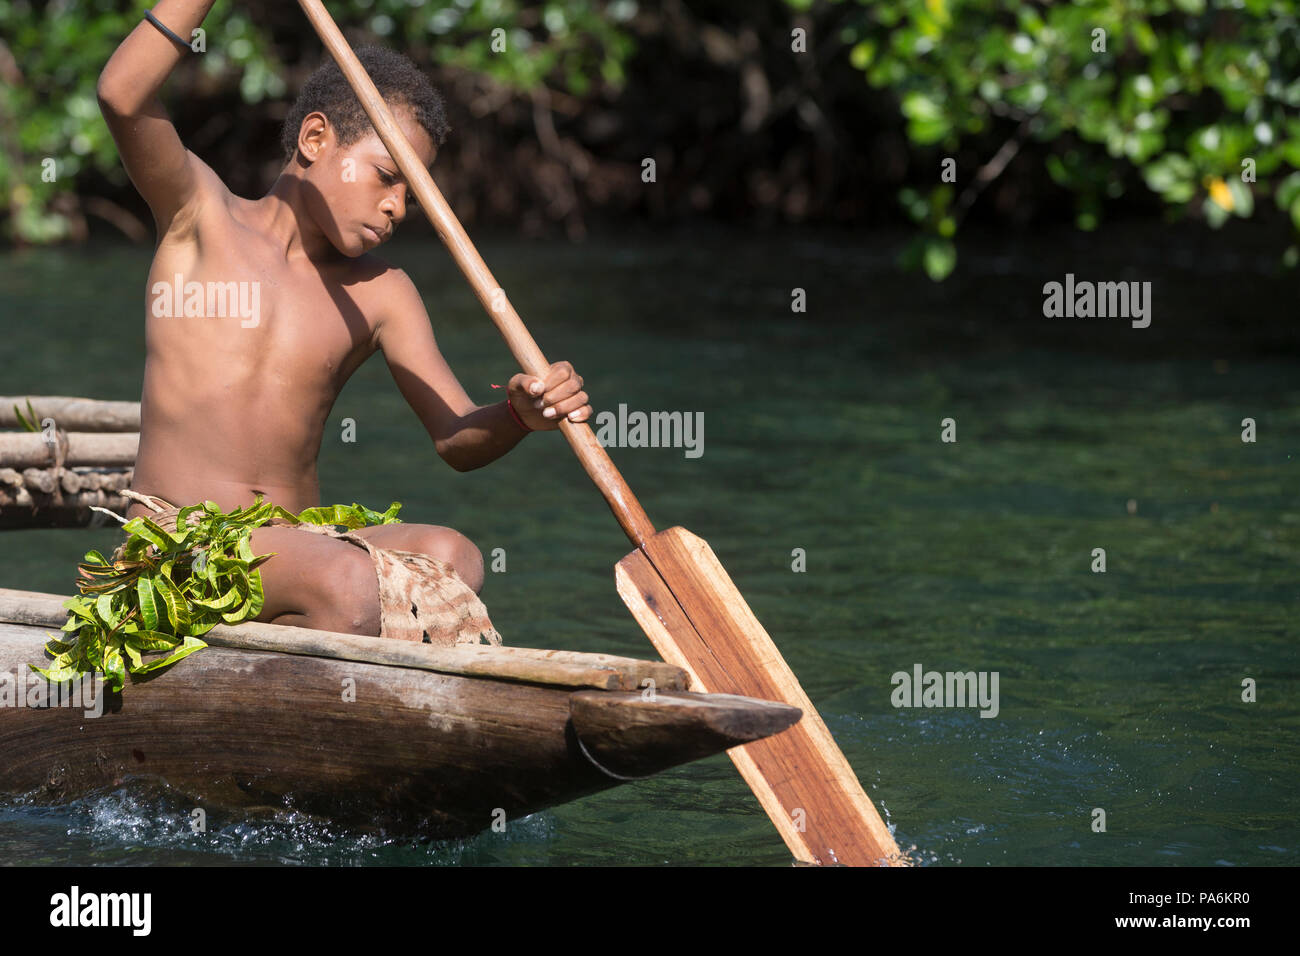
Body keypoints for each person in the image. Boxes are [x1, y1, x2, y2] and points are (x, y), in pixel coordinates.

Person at [95, 1, 591, 644]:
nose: (398, 207)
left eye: (412, 192)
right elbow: (123, 96)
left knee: (455, 557)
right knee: (348, 583)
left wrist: (519, 416)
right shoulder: (200, 216)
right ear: (315, 139)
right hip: (174, 550)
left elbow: (456, 438)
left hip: (292, 549)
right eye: (388, 177)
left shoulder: (383, 292)